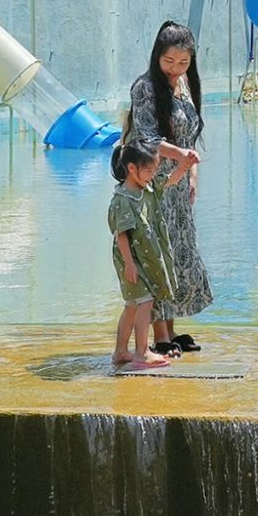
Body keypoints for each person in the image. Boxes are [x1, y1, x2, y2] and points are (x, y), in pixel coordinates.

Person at [127, 20, 213, 355]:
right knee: (156, 255)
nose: (176, 69)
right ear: (156, 57)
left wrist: (191, 173)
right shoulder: (145, 87)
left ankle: (173, 329)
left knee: (180, 255)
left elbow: (189, 136)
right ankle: (160, 337)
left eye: (183, 63)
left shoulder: (184, 86)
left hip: (178, 186)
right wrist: (180, 156)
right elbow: (146, 137)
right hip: (155, 183)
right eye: (169, 62)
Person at [107, 137, 177, 372]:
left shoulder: (144, 189)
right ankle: (141, 351)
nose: (152, 175)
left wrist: (185, 165)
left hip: (142, 258)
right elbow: (122, 235)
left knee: (132, 305)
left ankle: (120, 351)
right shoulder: (123, 200)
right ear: (132, 168)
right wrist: (129, 264)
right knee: (144, 302)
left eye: (154, 170)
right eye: (148, 170)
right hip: (131, 260)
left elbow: (168, 181)